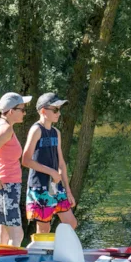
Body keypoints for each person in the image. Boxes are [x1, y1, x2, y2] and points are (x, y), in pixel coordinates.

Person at [22, 92, 77, 234]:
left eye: (59, 110)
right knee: (43, 229)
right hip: (39, 186)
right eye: (55, 110)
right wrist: (51, 172)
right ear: (43, 111)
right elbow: (26, 160)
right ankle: (42, 248)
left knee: (71, 223)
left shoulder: (56, 132)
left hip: (54, 186)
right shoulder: (36, 130)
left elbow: (61, 163)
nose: (59, 113)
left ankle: (57, 246)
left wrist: (68, 191)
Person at [0, 92, 31, 247]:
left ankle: (0, 261)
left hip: (2, 185)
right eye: (22, 109)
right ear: (11, 111)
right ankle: (12, 261)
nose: (24, 113)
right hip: (6, 185)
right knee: (17, 235)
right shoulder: (6, 129)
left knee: (2, 234)